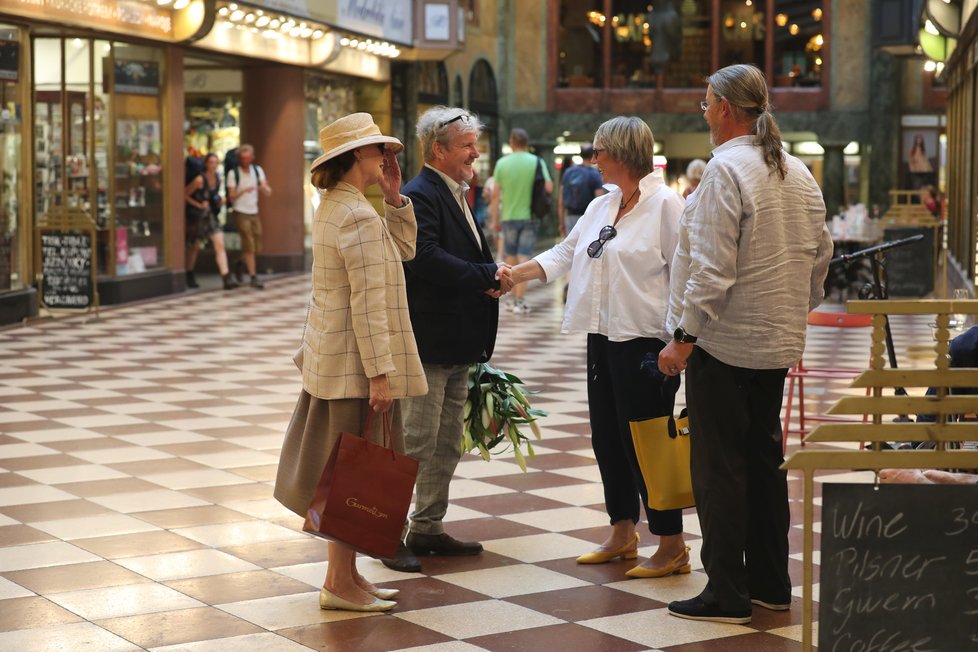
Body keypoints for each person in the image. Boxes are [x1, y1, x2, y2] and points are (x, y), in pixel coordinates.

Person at [659, 63, 833, 624]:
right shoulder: (798, 171)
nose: (703, 112)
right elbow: (820, 257)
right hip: (775, 346)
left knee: (718, 471)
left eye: (706, 102)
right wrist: (791, 311)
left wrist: (683, 339)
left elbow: (711, 269)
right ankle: (771, 583)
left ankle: (727, 592)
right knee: (764, 462)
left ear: (727, 109)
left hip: (724, 346)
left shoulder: (723, 171)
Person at [508, 116, 689, 579]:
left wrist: (681, 341)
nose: (593, 159)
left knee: (647, 443)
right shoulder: (600, 206)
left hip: (647, 342)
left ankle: (671, 543)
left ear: (625, 153)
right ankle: (623, 530)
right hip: (603, 335)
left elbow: (685, 275)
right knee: (608, 437)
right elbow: (567, 252)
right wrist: (514, 274)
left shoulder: (666, 205)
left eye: (599, 150)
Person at [273, 113, 427, 612]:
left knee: (348, 474)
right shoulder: (355, 216)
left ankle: (346, 577)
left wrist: (395, 198)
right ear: (355, 156)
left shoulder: (342, 206)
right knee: (349, 478)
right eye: (376, 148)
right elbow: (368, 303)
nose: (386, 154)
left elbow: (403, 250)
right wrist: (380, 375)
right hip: (354, 370)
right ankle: (339, 583)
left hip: (337, 361)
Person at [382, 106, 513, 573]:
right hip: (429, 342)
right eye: (467, 146)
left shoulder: (453, 191)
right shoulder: (419, 194)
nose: (475, 153)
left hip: (456, 341)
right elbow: (425, 257)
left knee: (445, 444)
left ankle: (428, 527)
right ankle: (388, 533)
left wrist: (487, 272)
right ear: (438, 150)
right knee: (415, 442)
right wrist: (485, 274)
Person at [491, 128, 553, 313]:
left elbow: (495, 194)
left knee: (510, 257)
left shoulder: (502, 163)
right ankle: (520, 300)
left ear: (512, 142)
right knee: (524, 255)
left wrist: (495, 218)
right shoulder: (536, 161)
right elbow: (548, 187)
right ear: (526, 143)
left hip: (509, 216)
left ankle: (510, 299)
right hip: (530, 216)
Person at [184, 153, 239, 290]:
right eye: (211, 162)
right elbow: (184, 194)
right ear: (206, 164)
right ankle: (189, 273)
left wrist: (220, 202)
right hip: (197, 217)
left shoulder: (218, 178)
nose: (213, 165)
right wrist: (199, 205)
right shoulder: (199, 179)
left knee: (219, 244)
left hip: (211, 217)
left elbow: (214, 198)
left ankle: (226, 277)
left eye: (216, 162)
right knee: (195, 247)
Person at [227, 144, 272, 289]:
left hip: (253, 211)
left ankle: (240, 262)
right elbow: (231, 196)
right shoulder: (234, 173)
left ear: (252, 158)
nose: (245, 161)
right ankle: (253, 277)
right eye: (242, 158)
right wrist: (244, 191)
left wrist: (263, 188)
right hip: (240, 211)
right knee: (249, 244)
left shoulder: (257, 171)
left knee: (257, 245)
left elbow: (267, 190)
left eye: (247, 158)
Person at [559, 144, 605, 237]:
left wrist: (561, 222)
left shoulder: (569, 172)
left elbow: (561, 201)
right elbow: (600, 200)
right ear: (593, 155)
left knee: (570, 249)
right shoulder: (595, 174)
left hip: (570, 216)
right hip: (588, 217)